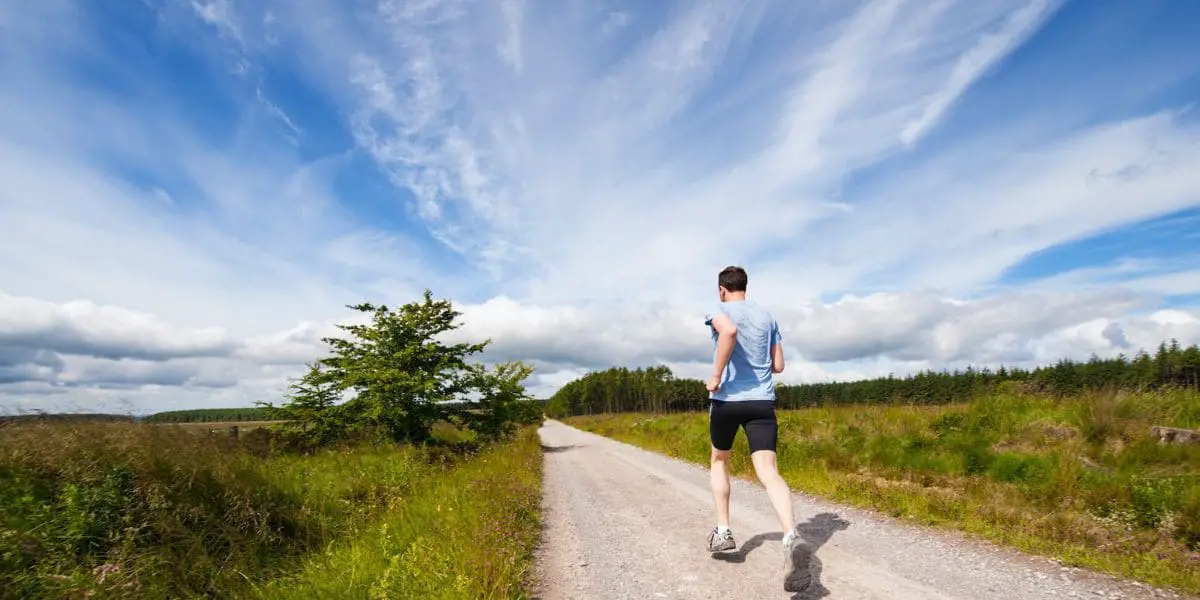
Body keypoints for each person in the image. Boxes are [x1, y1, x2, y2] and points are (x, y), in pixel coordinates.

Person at [703, 265, 808, 593]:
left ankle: (723, 531)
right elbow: (778, 365)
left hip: (728, 400)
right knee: (768, 471)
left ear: (722, 290)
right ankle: (791, 535)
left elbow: (729, 332)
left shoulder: (718, 309)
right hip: (762, 403)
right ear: (745, 287)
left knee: (720, 460)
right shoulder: (768, 317)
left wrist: (717, 375)